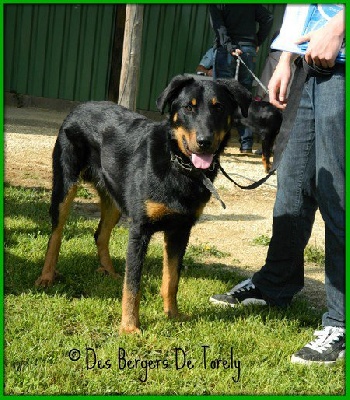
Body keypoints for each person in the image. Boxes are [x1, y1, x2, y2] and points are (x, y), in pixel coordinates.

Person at [210, 5, 345, 365]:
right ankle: (276, 283)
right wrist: (286, 57)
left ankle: (340, 319)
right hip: (308, 61)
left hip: (341, 58)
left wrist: (339, 25)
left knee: (339, 196)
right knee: (293, 181)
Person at [209, 4, 273, 153]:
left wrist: (229, 46)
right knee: (244, 97)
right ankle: (246, 144)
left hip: (227, 50)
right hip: (247, 49)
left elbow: (219, 25)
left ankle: (216, 141)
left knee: (219, 96)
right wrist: (256, 41)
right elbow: (268, 18)